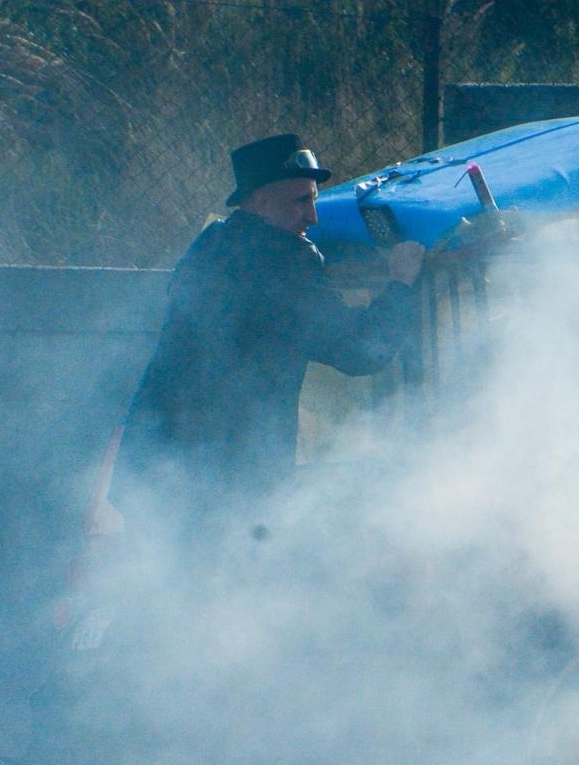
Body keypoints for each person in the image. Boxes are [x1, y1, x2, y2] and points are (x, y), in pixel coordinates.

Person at [114, 133, 424, 528]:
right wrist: (400, 283)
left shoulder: (212, 244)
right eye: (301, 201)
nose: (313, 217)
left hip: (153, 463)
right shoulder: (283, 262)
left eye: (313, 199)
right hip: (223, 478)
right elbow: (363, 350)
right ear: (261, 201)